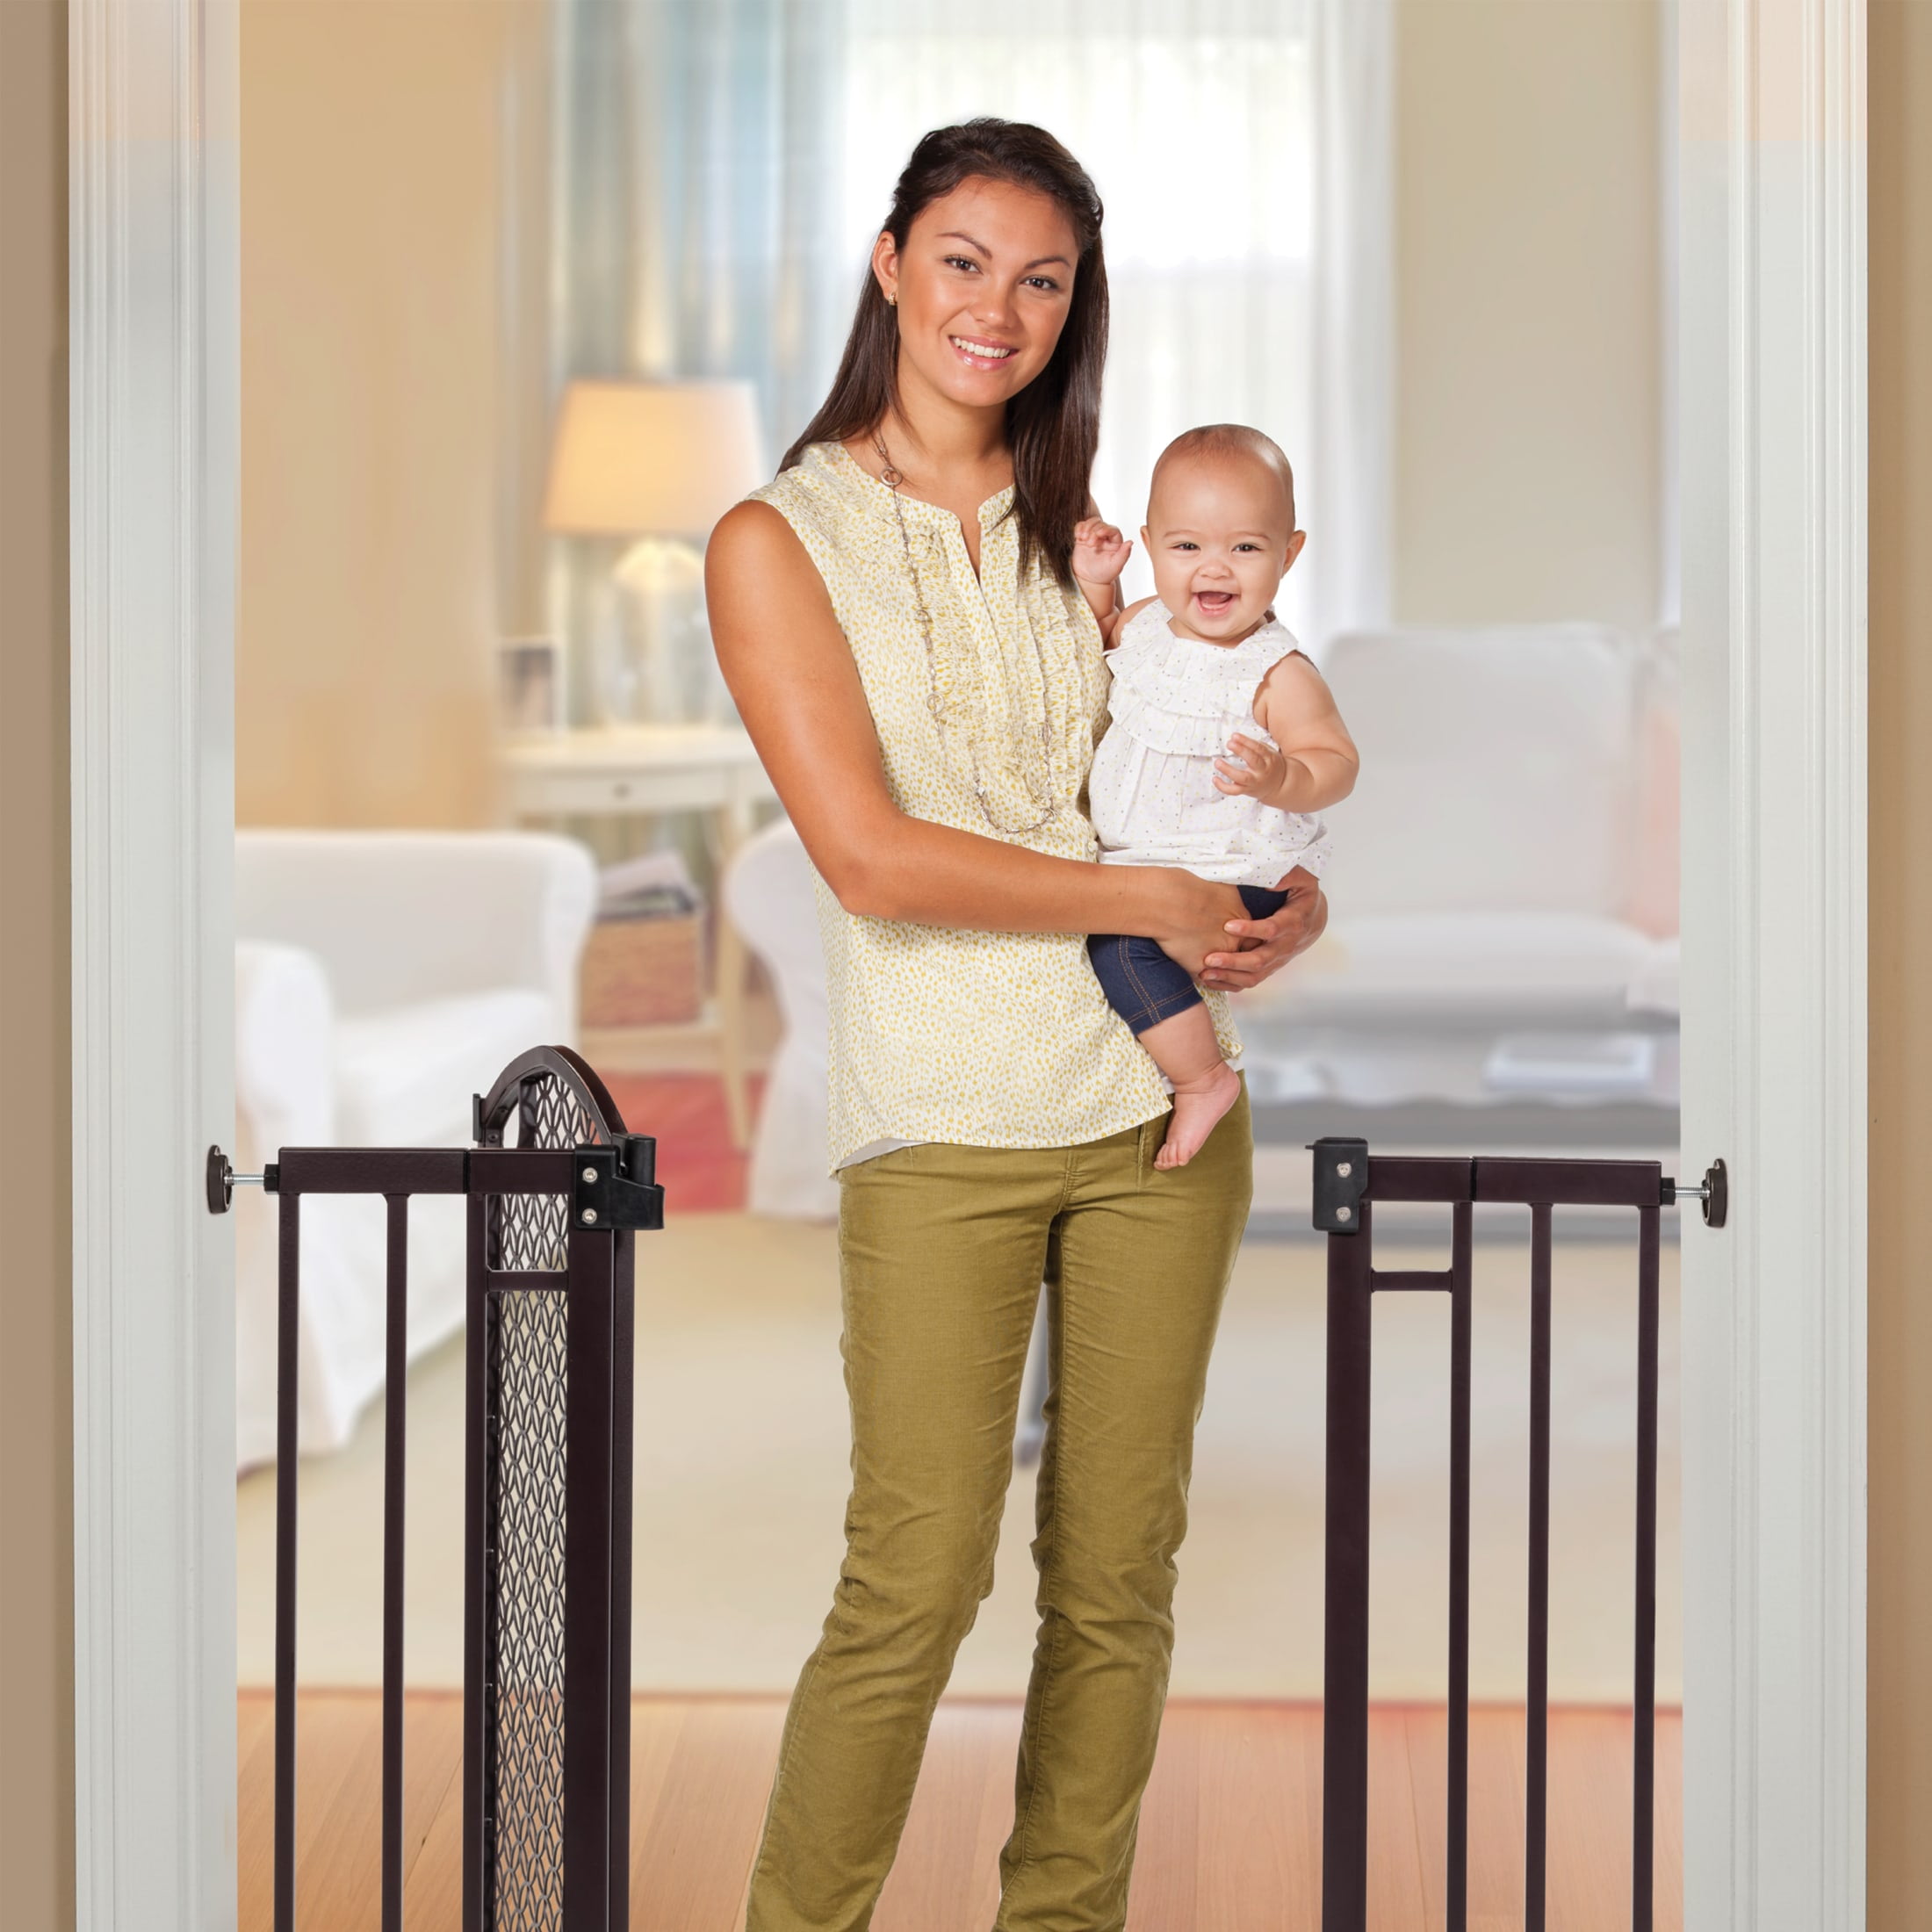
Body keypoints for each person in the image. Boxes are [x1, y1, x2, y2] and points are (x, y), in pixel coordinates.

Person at [705, 118, 1329, 1932]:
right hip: (942, 1123)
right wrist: (1149, 905)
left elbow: (1168, 793)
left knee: (1117, 1584)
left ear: (1076, 306)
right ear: (890, 261)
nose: (998, 306)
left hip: (1155, 1121)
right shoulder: (777, 540)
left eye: (1042, 278)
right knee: (909, 1587)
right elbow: (871, 858)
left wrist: (1274, 897)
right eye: (965, 260)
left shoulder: (1093, 539)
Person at [1071, 425, 1359, 1169]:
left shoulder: (1276, 672)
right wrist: (1099, 583)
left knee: (1120, 946)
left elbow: (1336, 762)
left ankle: (1203, 1078)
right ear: (1150, 545)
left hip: (1229, 862)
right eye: (1187, 546)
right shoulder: (1145, 625)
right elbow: (1099, 637)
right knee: (1113, 936)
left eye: (1246, 548)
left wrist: (1279, 778)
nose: (1214, 568)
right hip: (1153, 862)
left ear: (1289, 554)